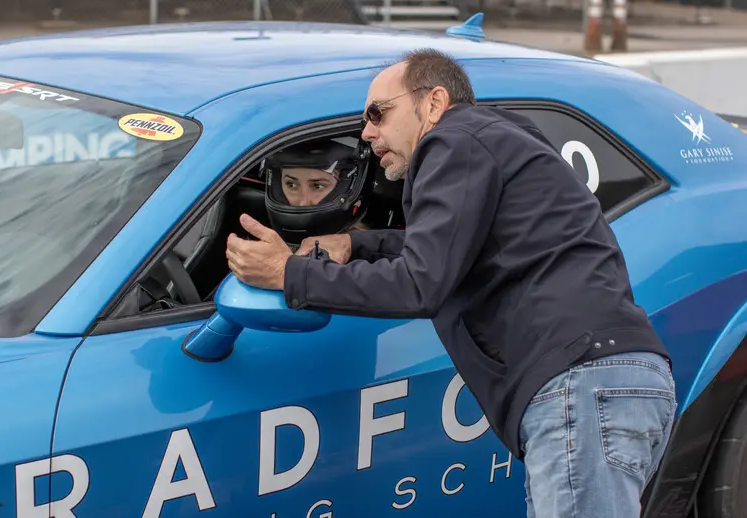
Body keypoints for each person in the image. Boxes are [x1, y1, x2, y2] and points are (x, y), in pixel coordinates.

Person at [226, 48, 676, 517]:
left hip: (579, 387)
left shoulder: (452, 142)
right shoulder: (494, 139)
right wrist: (355, 246)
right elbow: (449, 245)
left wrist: (287, 273)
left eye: (379, 113)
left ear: (434, 102)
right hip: (605, 383)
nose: (367, 132)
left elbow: (420, 284)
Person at [261, 136, 372, 250]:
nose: (303, 202)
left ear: (345, 187)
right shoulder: (263, 252)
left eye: (317, 186)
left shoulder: (367, 259)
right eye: (291, 185)